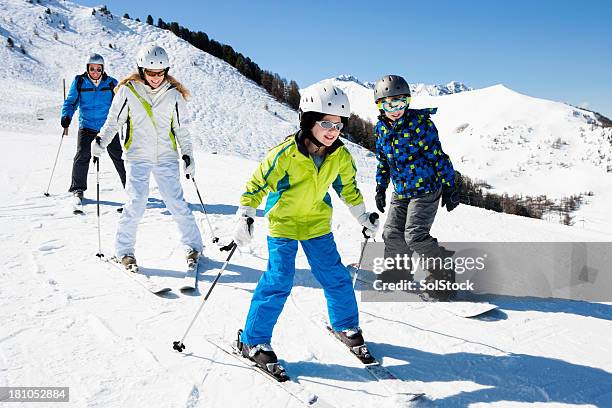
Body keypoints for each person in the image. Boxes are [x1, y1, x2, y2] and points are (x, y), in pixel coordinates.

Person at [231, 82, 379, 375]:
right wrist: (245, 215)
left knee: (336, 276)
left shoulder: (340, 155)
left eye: (339, 125)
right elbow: (257, 185)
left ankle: (345, 325)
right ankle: (253, 341)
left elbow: (347, 188)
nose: (332, 130)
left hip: (316, 224)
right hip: (283, 223)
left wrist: (363, 216)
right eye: (326, 123)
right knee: (279, 280)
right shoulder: (285, 154)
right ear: (308, 120)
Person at [91, 44, 202, 270]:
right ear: (142, 70)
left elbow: (181, 130)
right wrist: (101, 141)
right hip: (137, 156)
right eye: (151, 73)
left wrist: (188, 155)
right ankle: (124, 252)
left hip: (166, 157)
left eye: (160, 73)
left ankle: (193, 247)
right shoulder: (128, 90)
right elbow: (115, 121)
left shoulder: (173, 94)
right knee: (136, 203)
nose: (156, 78)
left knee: (176, 202)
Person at [373, 74, 461, 300]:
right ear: (380, 105)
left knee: (415, 236)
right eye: (389, 104)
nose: (395, 109)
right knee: (391, 233)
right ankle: (397, 272)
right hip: (401, 191)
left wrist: (450, 186)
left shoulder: (420, 125)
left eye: (401, 102)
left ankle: (442, 274)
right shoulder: (380, 129)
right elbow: (383, 160)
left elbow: (438, 157)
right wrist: (380, 187)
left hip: (426, 190)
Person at [61, 53, 126, 203]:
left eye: (98, 69)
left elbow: (121, 104)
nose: (95, 72)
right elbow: (71, 102)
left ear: (103, 69)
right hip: (87, 126)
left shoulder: (111, 83)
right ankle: (78, 189)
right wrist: (66, 116)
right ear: (87, 69)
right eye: (92, 69)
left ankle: (130, 187)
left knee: (118, 156)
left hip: (108, 128)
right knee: (82, 155)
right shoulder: (80, 82)